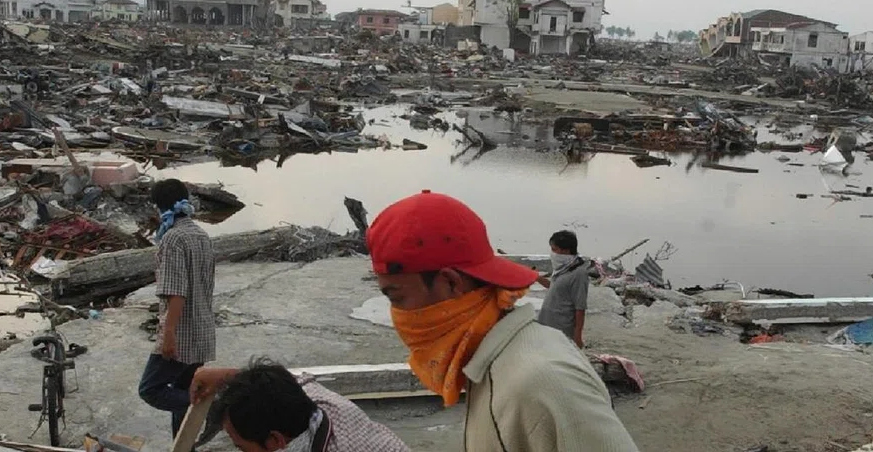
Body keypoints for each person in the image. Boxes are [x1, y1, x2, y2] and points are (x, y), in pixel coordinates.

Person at [367, 190, 639, 452]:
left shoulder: (542, 382)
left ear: (450, 282)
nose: (398, 316)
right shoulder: (489, 363)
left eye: (396, 297)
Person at [138, 178, 216, 439]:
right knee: (185, 389)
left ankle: (211, 408)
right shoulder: (200, 235)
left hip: (181, 332)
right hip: (201, 329)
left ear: (158, 207)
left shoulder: (172, 238)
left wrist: (168, 333)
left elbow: (176, 292)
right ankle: (183, 445)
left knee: (151, 389)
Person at [190, 361, 410, 452]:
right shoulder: (314, 401)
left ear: (276, 441)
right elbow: (284, 380)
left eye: (243, 449)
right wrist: (226, 376)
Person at [536, 230, 590, 348]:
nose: (552, 253)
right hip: (547, 327)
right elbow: (555, 288)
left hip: (562, 332)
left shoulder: (579, 274)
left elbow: (580, 308)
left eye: (554, 249)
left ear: (565, 251)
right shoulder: (562, 268)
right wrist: (536, 277)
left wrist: (577, 338)